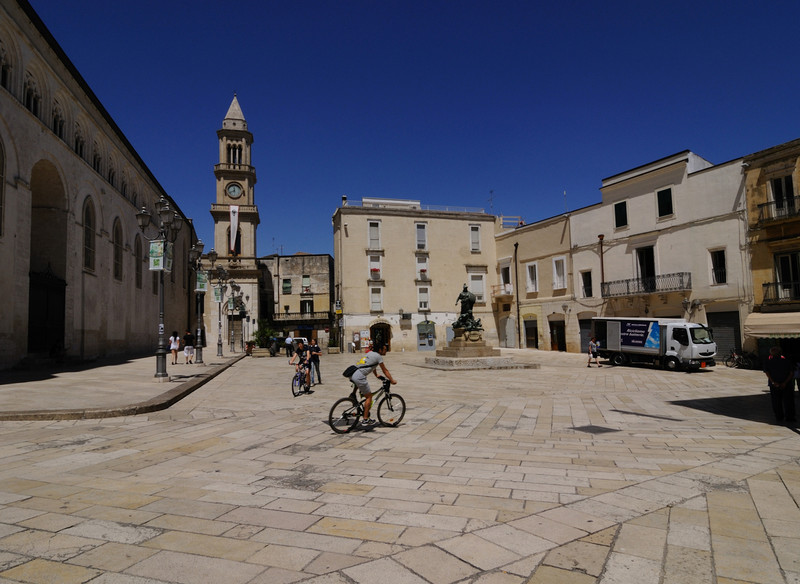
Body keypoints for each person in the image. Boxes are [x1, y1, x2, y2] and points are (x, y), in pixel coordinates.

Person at [348, 341, 396, 427]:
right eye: (385, 349)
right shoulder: (378, 357)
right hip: (359, 376)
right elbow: (385, 370)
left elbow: (371, 365)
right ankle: (365, 419)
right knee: (369, 397)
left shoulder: (370, 353)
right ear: (380, 350)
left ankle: (353, 394)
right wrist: (392, 380)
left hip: (353, 373)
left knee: (361, 382)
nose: (386, 351)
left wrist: (376, 374)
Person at [763, 346, 796, 424]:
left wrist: (773, 382)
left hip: (774, 384)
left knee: (776, 401)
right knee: (788, 401)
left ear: (771, 353)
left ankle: (779, 416)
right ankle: (790, 416)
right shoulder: (787, 361)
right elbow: (791, 373)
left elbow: (767, 372)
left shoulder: (768, 362)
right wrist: (785, 382)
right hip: (786, 384)